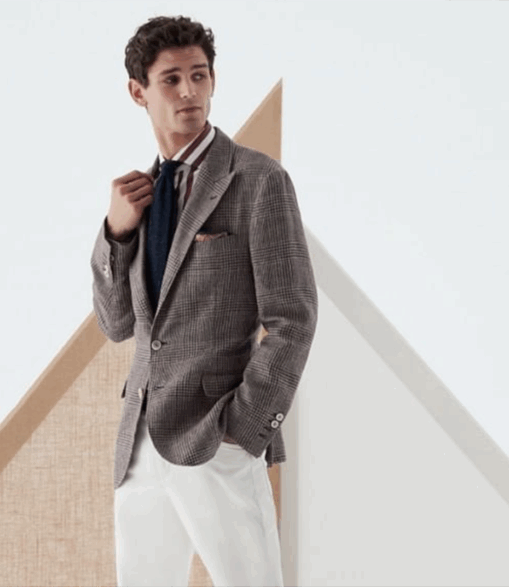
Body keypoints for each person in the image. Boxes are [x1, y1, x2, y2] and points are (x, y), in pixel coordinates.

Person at [90, 15, 318, 587]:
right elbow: (117, 324)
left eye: (199, 75)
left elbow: (293, 318)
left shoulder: (257, 181)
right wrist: (116, 232)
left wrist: (243, 430)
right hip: (140, 445)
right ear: (138, 92)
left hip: (217, 437)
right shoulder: (139, 196)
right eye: (171, 79)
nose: (189, 91)